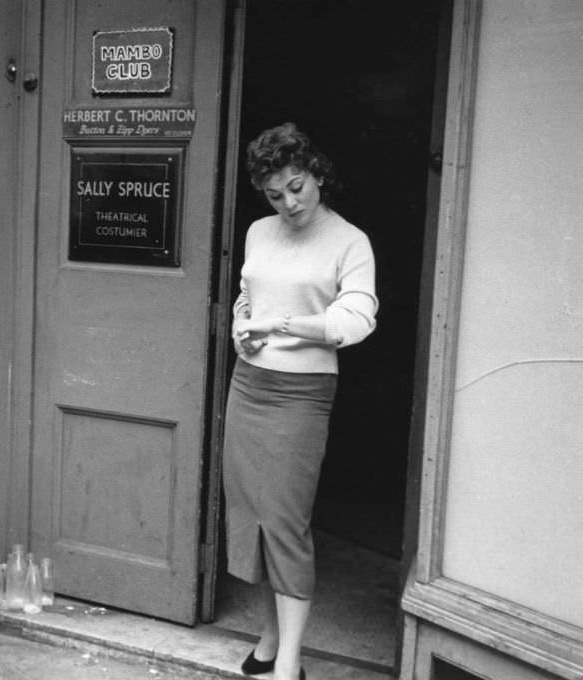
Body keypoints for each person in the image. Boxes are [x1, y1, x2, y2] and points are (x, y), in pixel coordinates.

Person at [223, 123, 377, 680]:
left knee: (285, 521)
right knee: (252, 518)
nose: (288, 203)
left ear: (317, 175)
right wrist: (242, 327)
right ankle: (269, 639)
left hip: (303, 395)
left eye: (296, 186)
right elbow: (248, 294)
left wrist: (286, 324)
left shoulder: (349, 241)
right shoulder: (260, 232)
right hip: (249, 386)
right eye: (274, 194)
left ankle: (290, 663)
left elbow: (356, 318)